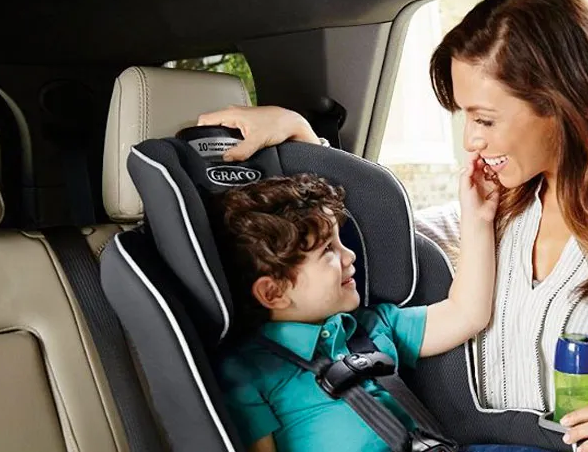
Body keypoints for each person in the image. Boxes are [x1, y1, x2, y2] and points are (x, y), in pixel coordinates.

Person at [200, 0, 588, 452]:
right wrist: (305, 145)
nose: (471, 141)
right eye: (465, 117)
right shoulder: (508, 198)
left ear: (562, 106)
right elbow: (380, 235)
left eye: (485, 119)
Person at [216, 173, 545, 452]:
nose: (349, 257)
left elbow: (466, 314)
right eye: (328, 250)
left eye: (340, 242)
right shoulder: (247, 372)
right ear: (273, 292)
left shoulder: (372, 327)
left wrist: (478, 219)